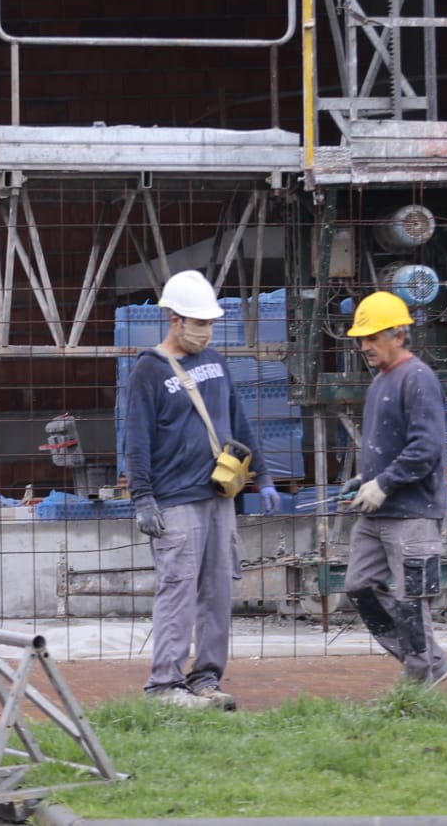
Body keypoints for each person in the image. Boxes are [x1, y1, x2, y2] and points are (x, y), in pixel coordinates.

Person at [124, 270, 281, 710]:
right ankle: (163, 685)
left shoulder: (215, 362)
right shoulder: (148, 372)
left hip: (218, 498)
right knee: (177, 590)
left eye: (210, 323)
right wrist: (143, 498)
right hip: (175, 500)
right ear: (174, 319)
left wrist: (263, 475)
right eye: (199, 323)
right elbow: (135, 441)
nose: (206, 331)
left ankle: (206, 678)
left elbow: (238, 424)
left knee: (217, 591)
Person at [339, 290, 447, 687]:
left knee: (411, 598)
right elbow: (390, 445)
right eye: (362, 339)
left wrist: (383, 483)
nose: (365, 346)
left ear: (399, 334)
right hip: (381, 509)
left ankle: (418, 680)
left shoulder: (418, 378)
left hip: (413, 510)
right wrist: (364, 479)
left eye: (373, 337)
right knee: (360, 586)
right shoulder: (382, 382)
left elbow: (426, 448)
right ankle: (430, 662)